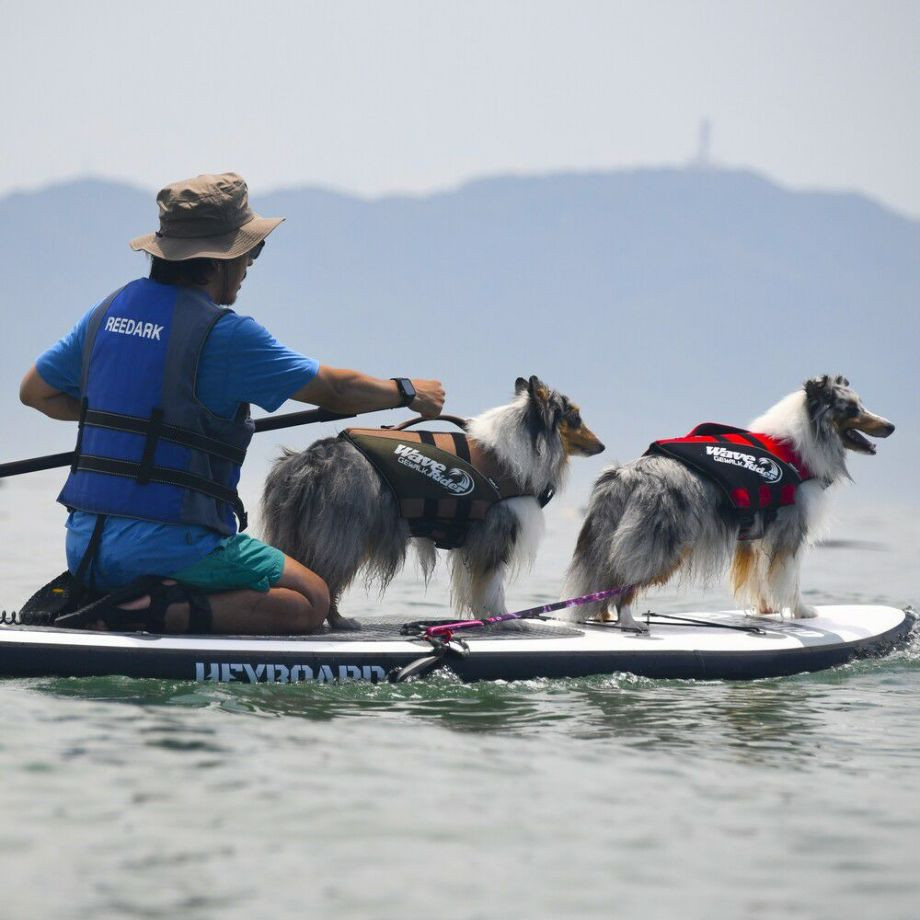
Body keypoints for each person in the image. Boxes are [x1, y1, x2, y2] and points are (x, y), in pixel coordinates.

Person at [19, 172, 444, 634]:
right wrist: (406, 391)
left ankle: (129, 596)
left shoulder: (106, 313)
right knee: (311, 597)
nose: (250, 265)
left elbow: (36, 393)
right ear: (221, 259)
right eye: (250, 252)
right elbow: (335, 389)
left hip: (84, 547)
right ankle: (137, 611)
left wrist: (129, 418)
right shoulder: (224, 335)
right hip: (170, 545)